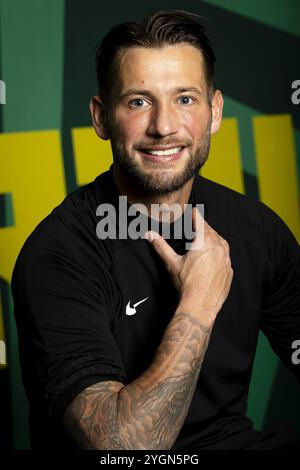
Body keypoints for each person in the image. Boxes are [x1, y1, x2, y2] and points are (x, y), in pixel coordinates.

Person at [12, 10, 300, 450]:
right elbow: (122, 449)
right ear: (101, 117)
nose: (164, 127)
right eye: (138, 102)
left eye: (185, 99)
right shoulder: (58, 254)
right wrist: (199, 303)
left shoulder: (255, 228)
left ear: (215, 111)